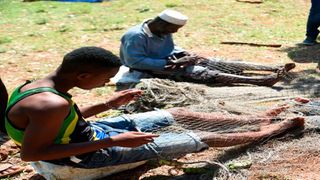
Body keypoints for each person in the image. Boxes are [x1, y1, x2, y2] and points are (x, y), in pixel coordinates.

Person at [5, 47, 304, 170]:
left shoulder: (40, 87)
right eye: (106, 79)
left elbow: (66, 122)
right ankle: (277, 129)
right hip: (80, 157)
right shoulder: (49, 104)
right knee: (201, 138)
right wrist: (113, 141)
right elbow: (31, 153)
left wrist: (109, 103)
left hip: (92, 134)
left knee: (181, 116)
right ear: (82, 76)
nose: (108, 82)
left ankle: (257, 118)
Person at [113, 9, 296, 87]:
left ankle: (271, 68)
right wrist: (169, 62)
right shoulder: (136, 36)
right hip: (151, 69)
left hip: (171, 61)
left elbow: (171, 47)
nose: (175, 32)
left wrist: (183, 54)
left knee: (215, 62)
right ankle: (261, 81)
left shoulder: (161, 30)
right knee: (202, 71)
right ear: (162, 23)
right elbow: (134, 61)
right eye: (174, 28)